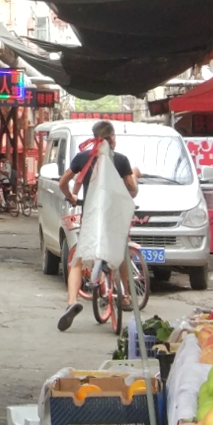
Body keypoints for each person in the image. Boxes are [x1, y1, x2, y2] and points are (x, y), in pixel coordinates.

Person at [57, 120, 139, 331]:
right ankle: (125, 296)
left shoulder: (83, 158)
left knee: (78, 258)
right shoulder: (121, 160)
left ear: (95, 137)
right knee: (120, 252)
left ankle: (72, 301)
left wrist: (72, 197)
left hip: (92, 218)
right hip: (113, 219)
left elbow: (62, 182)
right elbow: (132, 190)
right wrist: (133, 179)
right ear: (112, 139)